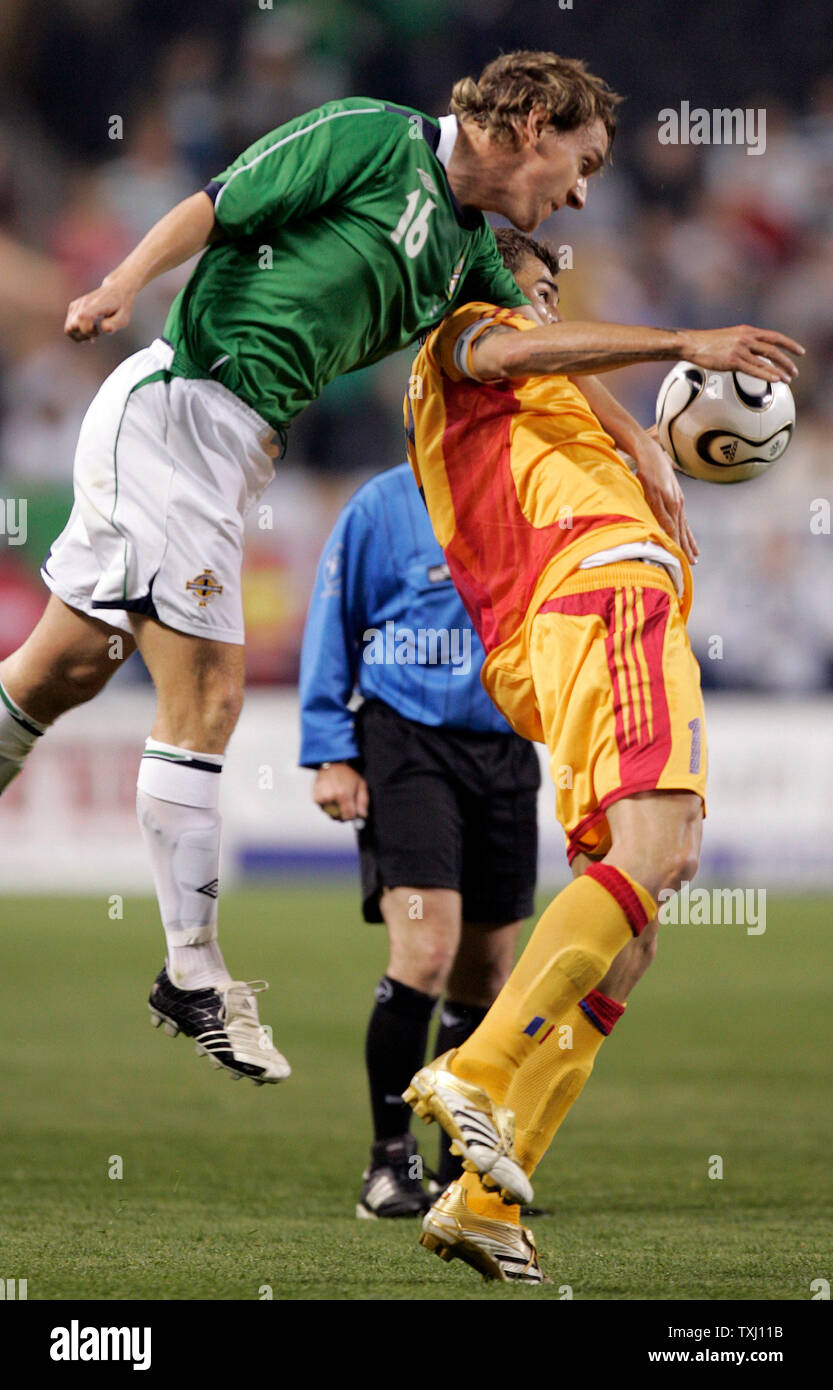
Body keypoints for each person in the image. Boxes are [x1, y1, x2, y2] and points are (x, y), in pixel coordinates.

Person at [0, 52, 621, 1084]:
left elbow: (526, 349)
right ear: (530, 122)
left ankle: (187, 966)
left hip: (225, 449)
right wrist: (118, 284)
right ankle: (191, 971)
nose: (584, 189)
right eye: (581, 156)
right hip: (181, 410)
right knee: (208, 693)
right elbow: (218, 204)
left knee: (54, 674)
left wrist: (638, 434)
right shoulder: (372, 135)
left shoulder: (466, 247)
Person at [401, 228, 804, 1282]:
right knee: (656, 850)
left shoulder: (554, 403)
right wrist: (680, 336)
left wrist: (634, 436)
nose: (547, 310)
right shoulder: (470, 332)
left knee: (630, 927)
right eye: (537, 290)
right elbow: (521, 348)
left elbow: (556, 372)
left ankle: (485, 1195)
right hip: (600, 595)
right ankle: (475, 1070)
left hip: (578, 619)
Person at [298, 461, 541, 1217]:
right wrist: (329, 748)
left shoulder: (538, 487)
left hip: (505, 744)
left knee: (486, 974)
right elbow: (331, 621)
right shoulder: (380, 505)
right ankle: (386, 1165)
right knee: (425, 954)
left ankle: (462, 1167)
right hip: (406, 742)